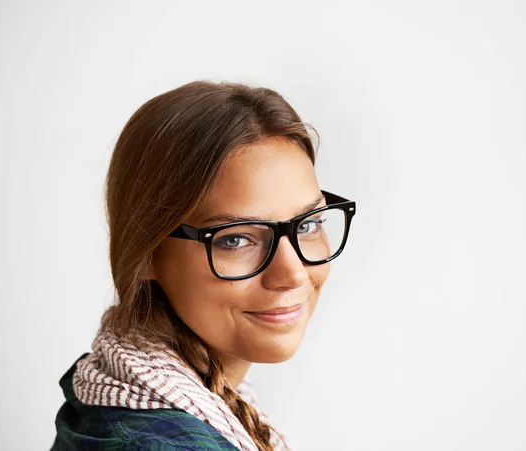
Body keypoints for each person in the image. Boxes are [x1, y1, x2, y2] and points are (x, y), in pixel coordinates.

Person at [52, 80, 356, 451]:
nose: (293, 274)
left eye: (307, 224)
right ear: (146, 252)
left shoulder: (124, 389)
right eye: (235, 239)